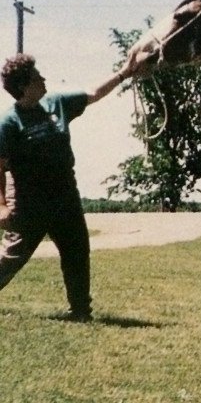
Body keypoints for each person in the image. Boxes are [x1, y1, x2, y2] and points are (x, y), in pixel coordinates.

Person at [0, 53, 136, 322]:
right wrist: (1, 205)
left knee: (76, 250)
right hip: (30, 200)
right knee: (12, 256)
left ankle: (80, 311)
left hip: (65, 194)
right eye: (37, 77)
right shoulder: (9, 122)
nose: (44, 78)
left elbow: (94, 93)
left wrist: (125, 72)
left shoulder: (57, 103)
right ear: (24, 87)